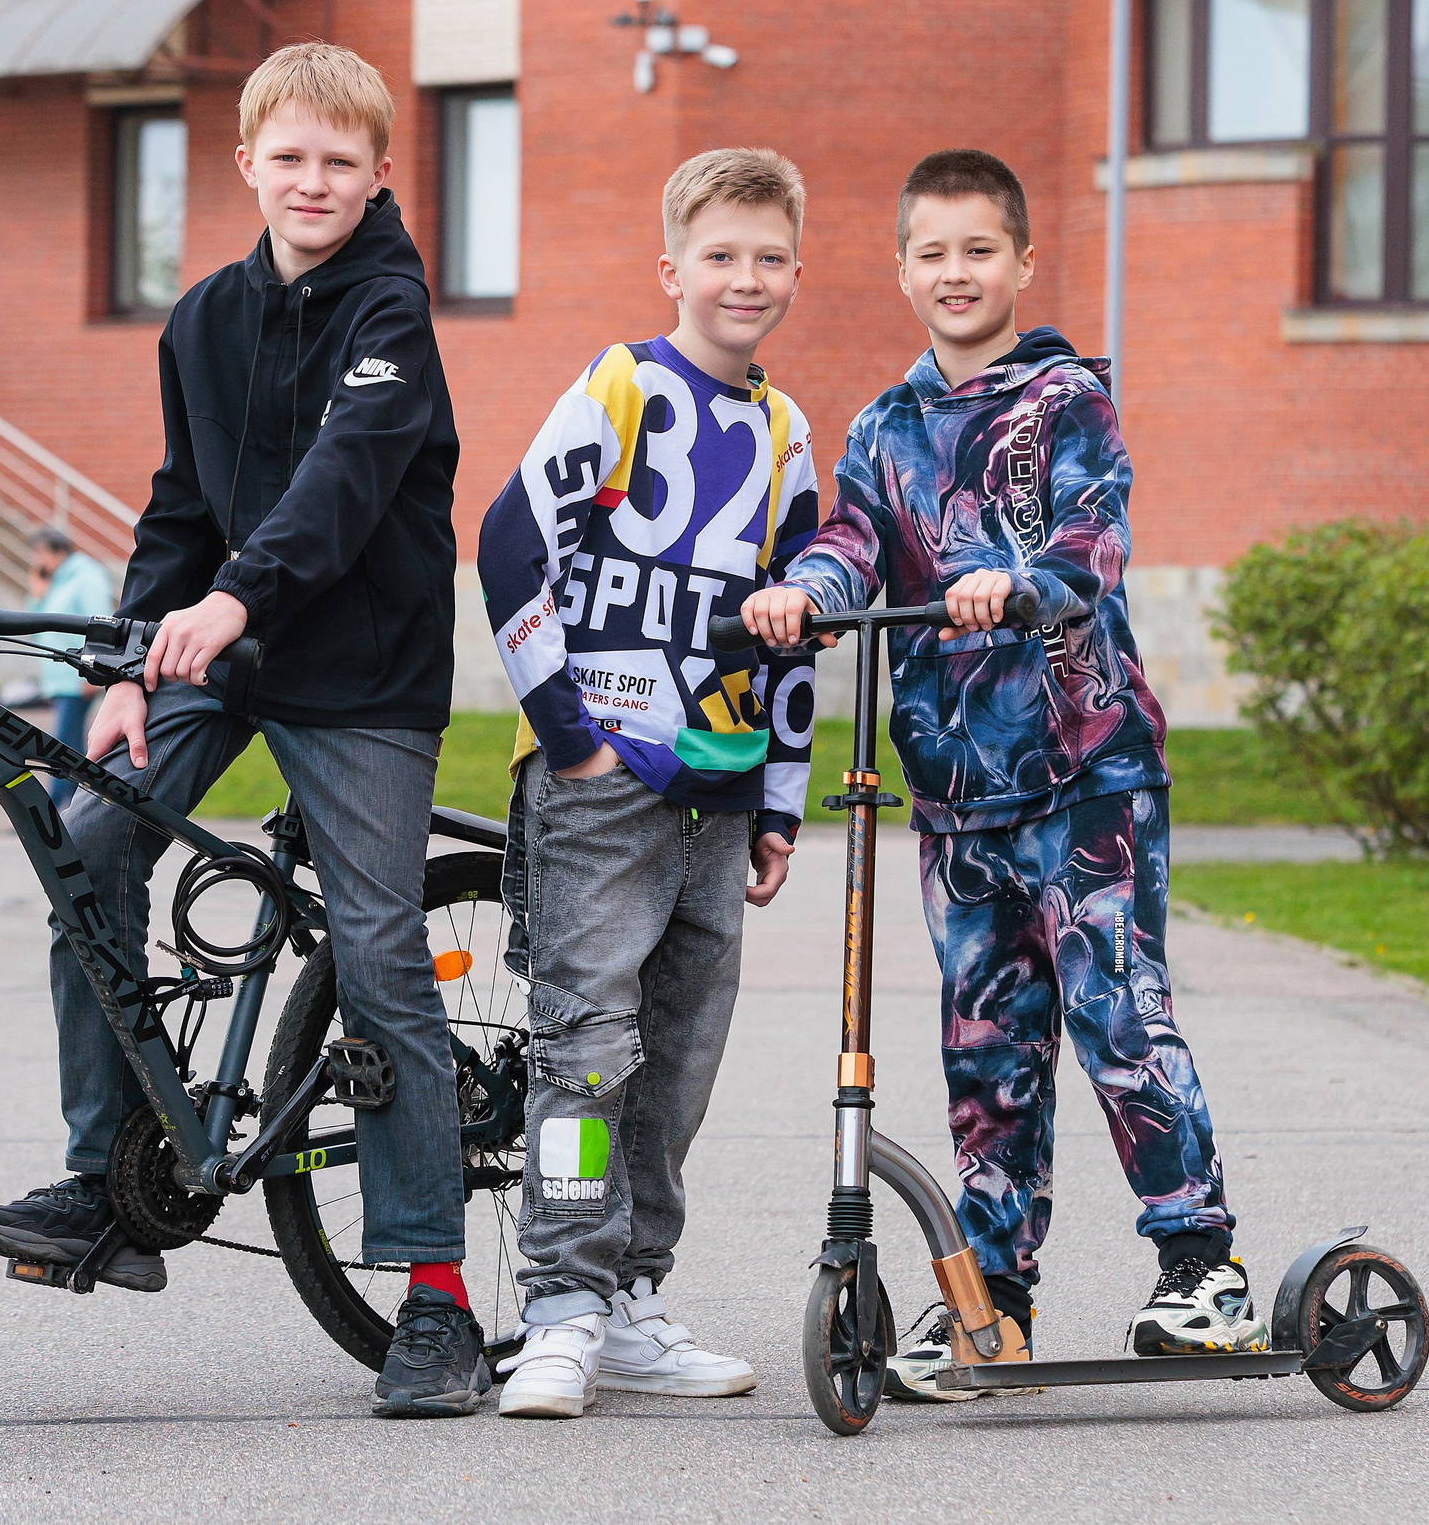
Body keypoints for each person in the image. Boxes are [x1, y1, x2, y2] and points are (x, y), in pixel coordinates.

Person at [0, 44, 482, 1417]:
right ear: (247, 164)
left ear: (378, 176)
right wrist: (130, 661)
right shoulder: (202, 318)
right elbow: (183, 503)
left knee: (376, 947)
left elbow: (341, 486)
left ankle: (434, 1293)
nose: (313, 183)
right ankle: (109, 1174)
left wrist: (236, 599)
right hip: (217, 650)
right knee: (85, 835)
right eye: (289, 159)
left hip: (358, 671)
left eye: (340, 163)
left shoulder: (392, 314)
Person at [742, 149, 1259, 1398]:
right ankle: (994, 1298)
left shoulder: (1066, 400)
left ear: (1022, 263)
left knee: (1116, 1014)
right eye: (933, 252)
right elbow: (851, 542)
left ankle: (1201, 1267)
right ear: (902, 269)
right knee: (987, 1045)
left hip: (1087, 775)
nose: (956, 273)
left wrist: (1017, 585)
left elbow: (1092, 537)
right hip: (956, 795)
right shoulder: (885, 424)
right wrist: (799, 598)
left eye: (980, 251)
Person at [477, 148, 818, 1419]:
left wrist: (778, 798)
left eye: (769, 257)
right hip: (602, 780)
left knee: (676, 1056)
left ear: (797, 272)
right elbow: (512, 541)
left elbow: (790, 632)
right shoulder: (624, 387)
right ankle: (559, 1303)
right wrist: (565, 732)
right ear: (672, 269)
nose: (747, 278)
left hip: (718, 796)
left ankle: (631, 1296)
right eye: (721, 256)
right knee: (584, 1050)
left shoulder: (787, 436)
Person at [22, 525, 116, 806]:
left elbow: (101, 625)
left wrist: (95, 673)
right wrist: (38, 594)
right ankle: (79, 804)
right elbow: (39, 630)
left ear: (57, 552)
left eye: (40, 554)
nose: (37, 561)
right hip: (60, 679)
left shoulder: (87, 577)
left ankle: (57, 806)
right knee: (70, 744)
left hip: (78, 677)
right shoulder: (58, 582)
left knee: (63, 746)